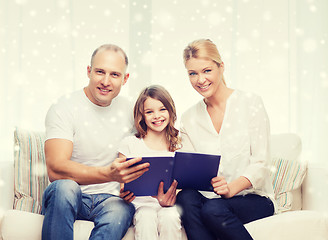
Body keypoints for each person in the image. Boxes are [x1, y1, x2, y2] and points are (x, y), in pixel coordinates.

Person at [41, 44, 150, 240]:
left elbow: (149, 152)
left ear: (125, 79)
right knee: (64, 187)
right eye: (100, 72)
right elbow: (56, 169)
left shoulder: (132, 110)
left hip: (112, 200)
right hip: (71, 196)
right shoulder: (64, 107)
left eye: (115, 75)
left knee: (121, 210)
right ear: (89, 71)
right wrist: (109, 174)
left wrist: (133, 187)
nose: (106, 81)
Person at [176, 39, 276, 240]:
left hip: (253, 198)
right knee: (185, 197)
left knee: (213, 209)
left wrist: (231, 188)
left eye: (206, 71)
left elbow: (261, 163)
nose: (200, 80)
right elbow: (190, 171)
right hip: (210, 198)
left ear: (221, 67)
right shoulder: (189, 118)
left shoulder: (250, 103)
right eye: (192, 74)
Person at [118, 85, 182, 240]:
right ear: (142, 116)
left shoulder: (179, 144)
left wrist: (170, 198)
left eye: (162, 109)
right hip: (141, 205)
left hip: (169, 205)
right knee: (146, 217)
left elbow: (185, 184)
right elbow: (121, 182)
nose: (157, 116)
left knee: (170, 217)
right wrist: (123, 193)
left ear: (170, 111)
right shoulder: (130, 143)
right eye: (149, 112)